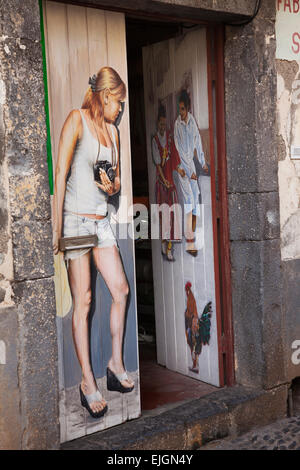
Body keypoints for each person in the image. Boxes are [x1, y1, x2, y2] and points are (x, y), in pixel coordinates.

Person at [52, 66, 134, 420]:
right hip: (75, 220)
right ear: (105, 96)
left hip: (101, 223)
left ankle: (114, 364)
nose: (121, 109)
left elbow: (115, 184)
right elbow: (60, 173)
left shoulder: (113, 133)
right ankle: (88, 382)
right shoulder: (76, 119)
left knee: (121, 290)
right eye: (119, 102)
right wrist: (56, 228)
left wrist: (113, 189)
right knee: (83, 300)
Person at [174, 89, 208, 257]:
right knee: (189, 202)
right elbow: (178, 150)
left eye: (182, 109)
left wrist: (201, 162)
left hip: (191, 166)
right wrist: (187, 172)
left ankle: (192, 238)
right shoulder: (177, 124)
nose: (180, 112)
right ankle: (190, 242)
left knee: (195, 202)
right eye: (179, 109)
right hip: (182, 167)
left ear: (187, 109)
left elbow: (198, 142)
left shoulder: (192, 122)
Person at [151, 104, 184, 261]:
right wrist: (165, 181)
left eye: (165, 124)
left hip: (170, 183)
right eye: (161, 124)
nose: (163, 127)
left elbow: (175, 158)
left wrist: (179, 170)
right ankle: (165, 246)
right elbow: (158, 164)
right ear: (157, 123)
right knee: (164, 217)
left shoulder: (170, 138)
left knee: (173, 216)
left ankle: (169, 249)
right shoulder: (155, 140)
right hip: (162, 184)